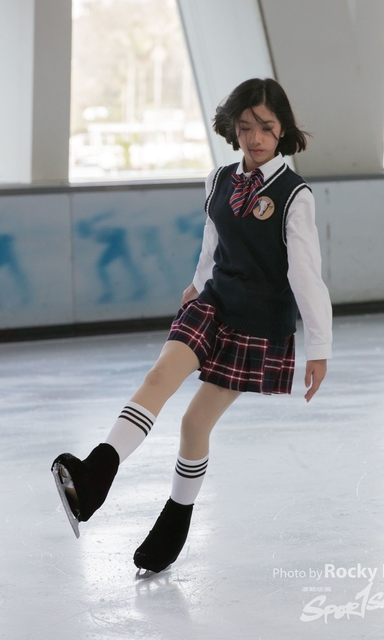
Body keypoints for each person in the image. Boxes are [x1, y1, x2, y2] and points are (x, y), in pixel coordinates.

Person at [51, 77, 332, 577]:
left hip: (256, 324)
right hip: (213, 303)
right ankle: (94, 477)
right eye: (245, 126)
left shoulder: (295, 196)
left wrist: (319, 347)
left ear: (283, 129)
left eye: (266, 127)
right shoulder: (218, 179)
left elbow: (305, 274)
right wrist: (197, 285)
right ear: (233, 129)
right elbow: (212, 240)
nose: (254, 138)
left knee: (194, 424)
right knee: (158, 377)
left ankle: (173, 525)